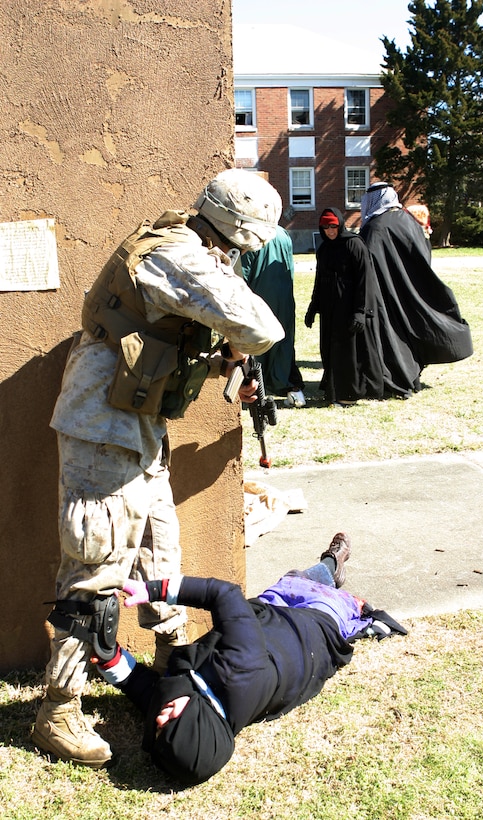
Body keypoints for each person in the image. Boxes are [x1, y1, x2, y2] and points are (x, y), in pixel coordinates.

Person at [32, 169, 286, 768]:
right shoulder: (181, 256)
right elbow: (261, 326)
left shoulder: (189, 248)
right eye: (246, 245)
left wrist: (226, 364)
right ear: (234, 230)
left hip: (137, 425)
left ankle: (173, 672)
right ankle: (58, 710)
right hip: (104, 427)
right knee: (95, 566)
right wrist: (235, 344)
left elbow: (180, 331)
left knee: (156, 551)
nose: (243, 257)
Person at [91, 532, 408, 788]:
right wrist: (153, 589)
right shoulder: (238, 670)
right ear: (198, 724)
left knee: (289, 582)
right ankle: (333, 564)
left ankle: (329, 569)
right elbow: (224, 594)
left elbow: (148, 693)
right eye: (168, 726)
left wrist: (110, 659)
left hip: (271, 618)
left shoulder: (203, 711)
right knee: (310, 580)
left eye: (157, 731)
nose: (159, 720)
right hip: (316, 623)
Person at [358, 182, 473, 400]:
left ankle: (397, 377)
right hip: (411, 286)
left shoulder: (375, 227)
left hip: (386, 292)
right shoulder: (407, 220)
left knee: (392, 333)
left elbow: (367, 262)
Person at [304, 208, 371, 406]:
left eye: (333, 226)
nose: (330, 231)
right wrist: (313, 307)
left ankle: (349, 394)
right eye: (326, 227)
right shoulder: (324, 249)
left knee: (347, 351)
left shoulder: (354, 244)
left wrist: (360, 311)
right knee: (328, 349)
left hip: (348, 308)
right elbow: (319, 279)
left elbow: (364, 280)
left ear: (340, 224)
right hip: (328, 308)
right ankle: (332, 391)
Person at [240, 225, 306, 408]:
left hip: (259, 297)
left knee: (256, 343)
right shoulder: (283, 234)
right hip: (283, 296)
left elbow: (242, 272)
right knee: (282, 343)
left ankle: (255, 386)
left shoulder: (253, 233)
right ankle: (283, 382)